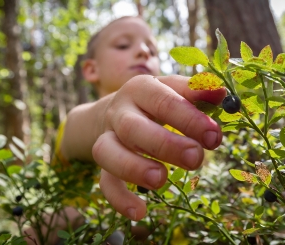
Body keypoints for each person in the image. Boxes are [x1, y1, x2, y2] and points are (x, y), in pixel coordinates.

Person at [25, 15, 226, 244]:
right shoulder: (79, 121)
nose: (143, 51)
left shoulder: (181, 135)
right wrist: (107, 117)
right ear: (91, 69)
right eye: (123, 45)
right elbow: (78, 127)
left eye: (152, 49)